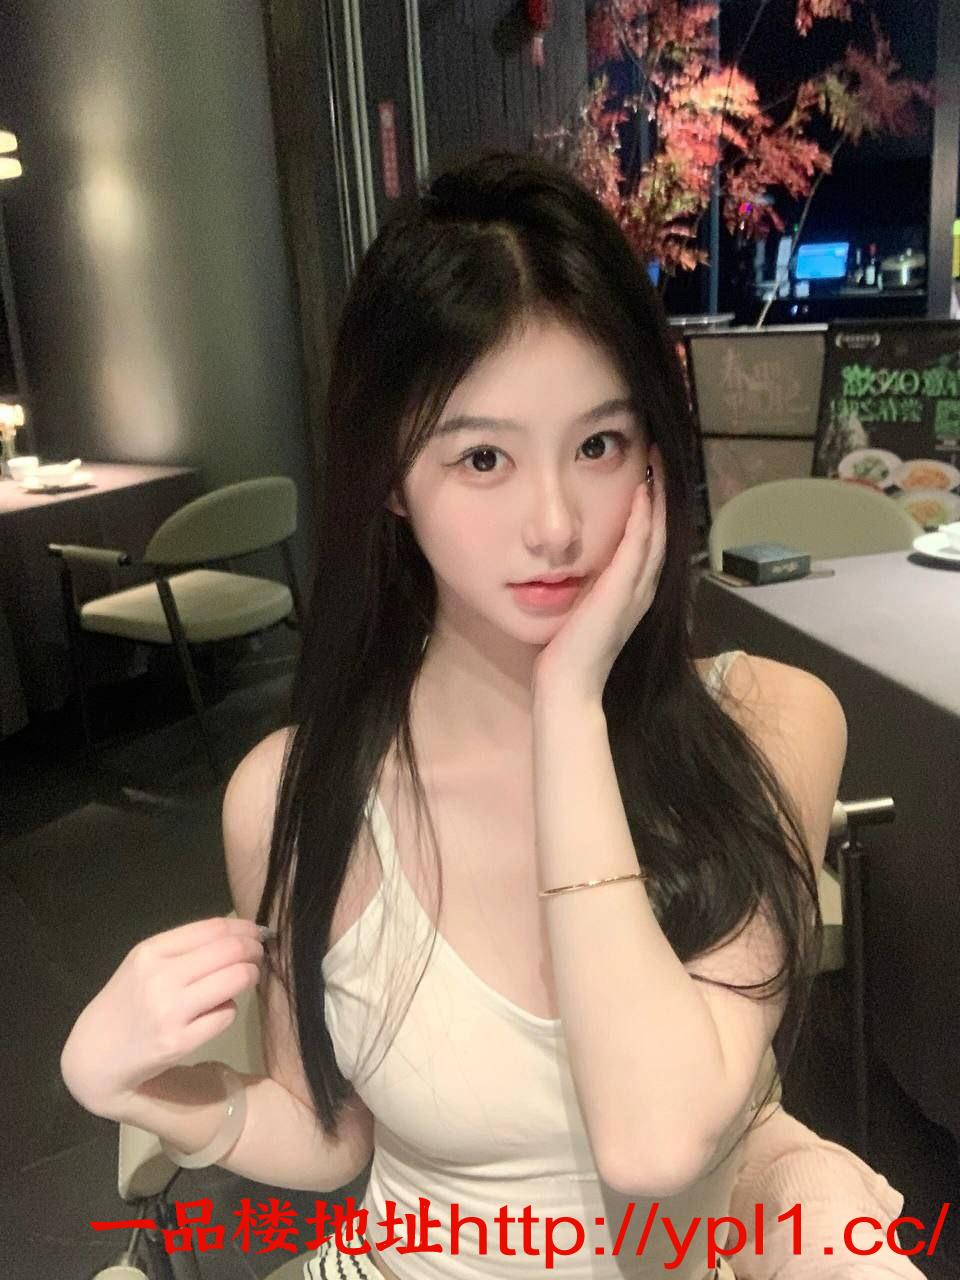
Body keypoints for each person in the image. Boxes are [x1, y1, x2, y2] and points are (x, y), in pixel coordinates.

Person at [60, 152, 922, 1280]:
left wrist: (567, 707)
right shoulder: (292, 794)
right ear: (391, 478)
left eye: (599, 445)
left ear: (655, 454)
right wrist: (139, 1089)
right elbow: (330, 1134)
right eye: (482, 457)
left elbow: (656, 1138)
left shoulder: (770, 723)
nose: (555, 524)